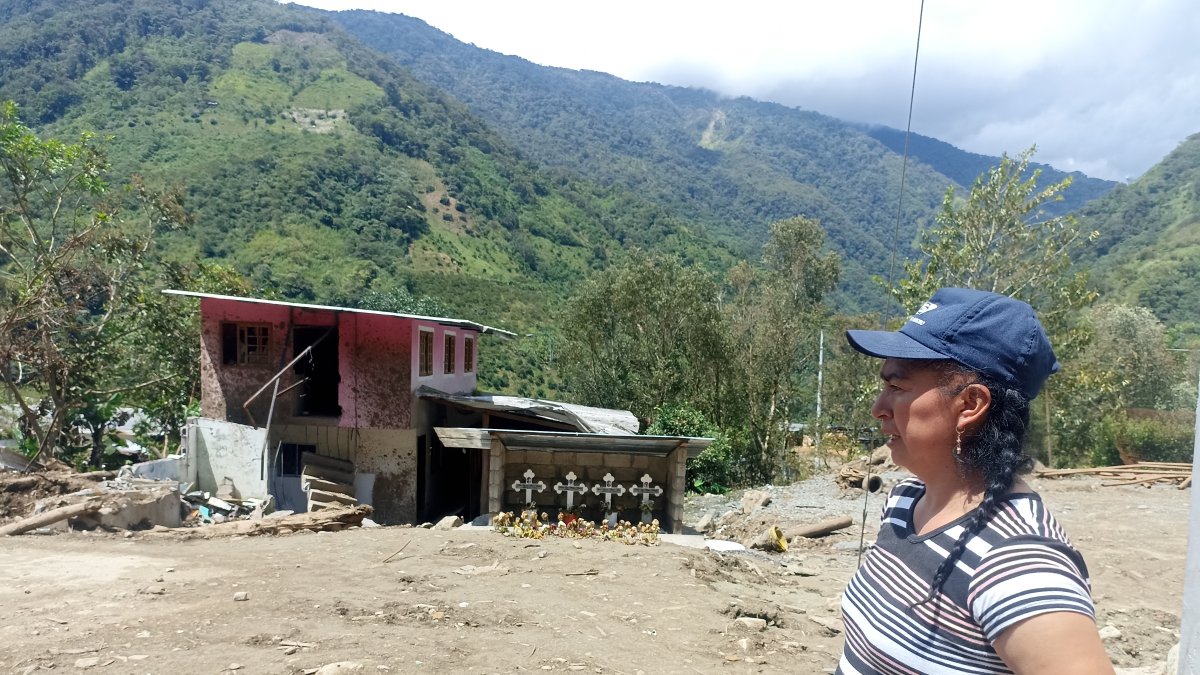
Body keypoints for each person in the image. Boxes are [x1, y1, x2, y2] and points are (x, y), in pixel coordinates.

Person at [837, 287, 1113, 675]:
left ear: (970, 405)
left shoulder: (1016, 561)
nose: (878, 408)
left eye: (896, 387)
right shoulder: (904, 502)